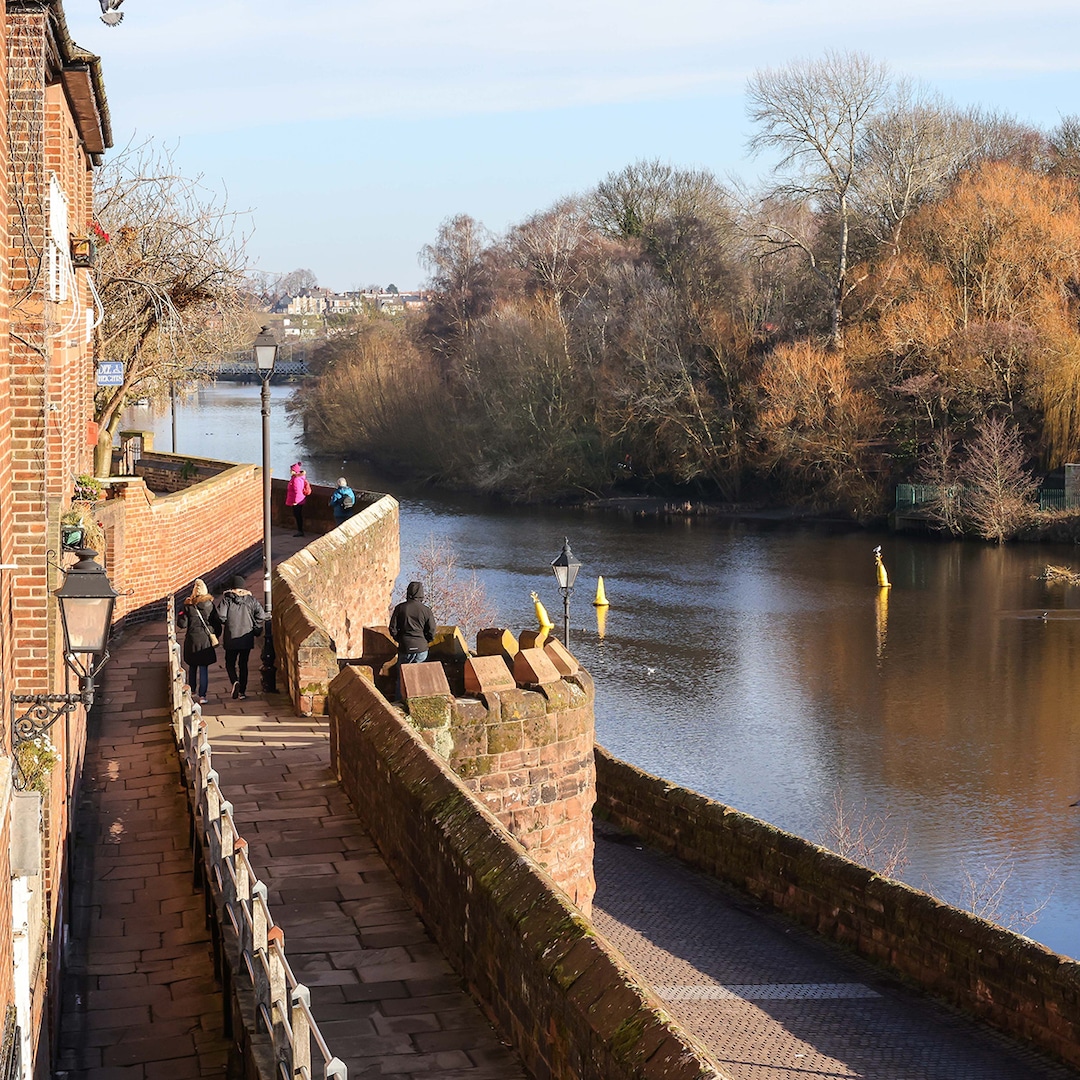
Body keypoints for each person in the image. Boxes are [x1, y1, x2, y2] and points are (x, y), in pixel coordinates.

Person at [214, 574, 266, 700]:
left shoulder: (227, 600)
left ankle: (234, 681)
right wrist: (255, 627)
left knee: (230, 663)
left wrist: (228, 622)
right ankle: (242, 691)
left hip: (231, 637)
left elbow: (220, 616)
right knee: (244, 664)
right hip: (246, 638)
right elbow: (261, 615)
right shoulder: (251, 600)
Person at [388, 581, 436, 698]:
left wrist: (400, 639)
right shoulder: (426, 610)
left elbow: (392, 628)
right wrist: (426, 641)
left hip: (405, 646)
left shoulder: (400, 608)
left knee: (402, 676)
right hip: (421, 647)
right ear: (421, 594)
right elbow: (432, 630)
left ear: (408, 592)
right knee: (418, 676)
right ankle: (417, 701)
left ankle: (399, 701)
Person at [178, 578, 218, 704]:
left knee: (192, 665)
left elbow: (182, 624)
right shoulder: (210, 605)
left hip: (192, 639)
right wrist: (215, 635)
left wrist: (181, 611)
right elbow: (216, 623)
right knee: (204, 668)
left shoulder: (188, 606)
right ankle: (203, 696)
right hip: (205, 638)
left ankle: (192, 690)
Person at [285, 462, 309, 536]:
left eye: (291, 470)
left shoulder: (296, 479)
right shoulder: (298, 478)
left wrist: (295, 501)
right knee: (297, 515)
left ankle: (300, 531)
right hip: (299, 499)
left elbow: (297, 491)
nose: (290, 471)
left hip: (297, 501)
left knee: (297, 515)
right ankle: (300, 530)